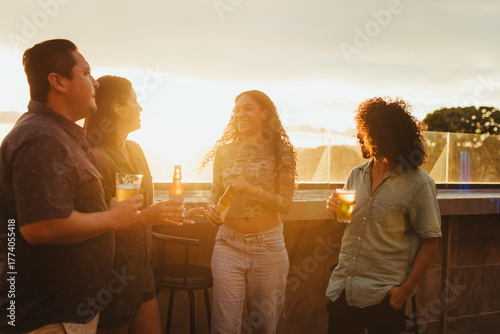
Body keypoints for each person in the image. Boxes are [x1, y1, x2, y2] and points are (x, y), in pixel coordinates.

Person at [0, 40, 144, 333]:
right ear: (57, 82)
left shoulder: (62, 134)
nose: (95, 83)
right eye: (87, 73)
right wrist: (113, 217)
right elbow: (41, 226)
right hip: (47, 317)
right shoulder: (42, 137)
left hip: (68, 312)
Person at [85, 75, 205, 333]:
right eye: (135, 101)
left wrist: (171, 213)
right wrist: (148, 216)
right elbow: (104, 226)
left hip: (141, 269)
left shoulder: (135, 151)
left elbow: (137, 209)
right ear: (118, 109)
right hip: (113, 277)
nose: (140, 108)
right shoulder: (98, 160)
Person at [325, 97, 442, 334]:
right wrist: (335, 210)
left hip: (385, 296)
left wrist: (406, 290)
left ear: (383, 134)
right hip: (343, 291)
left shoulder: (418, 184)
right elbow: (346, 224)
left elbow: (430, 240)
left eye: (365, 131)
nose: (360, 136)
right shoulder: (356, 174)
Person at [202, 90, 297, 333]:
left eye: (247, 108)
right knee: (224, 328)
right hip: (227, 244)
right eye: (236, 110)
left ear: (264, 113)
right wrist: (212, 208)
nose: (239, 114)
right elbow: (216, 192)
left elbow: (285, 204)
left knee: (264, 327)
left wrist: (254, 190)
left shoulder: (281, 151)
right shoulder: (224, 152)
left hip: (268, 248)